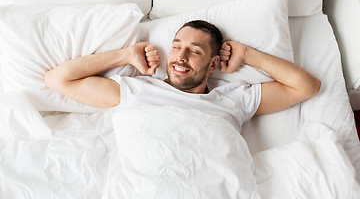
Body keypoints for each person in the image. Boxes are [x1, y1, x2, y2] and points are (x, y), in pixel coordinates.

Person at [45, 20, 321, 131]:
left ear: (213, 64)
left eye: (194, 51)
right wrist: (125, 55)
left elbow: (307, 87)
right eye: (176, 46)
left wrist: (248, 55)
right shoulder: (137, 90)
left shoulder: (234, 98)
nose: (180, 57)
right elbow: (58, 80)